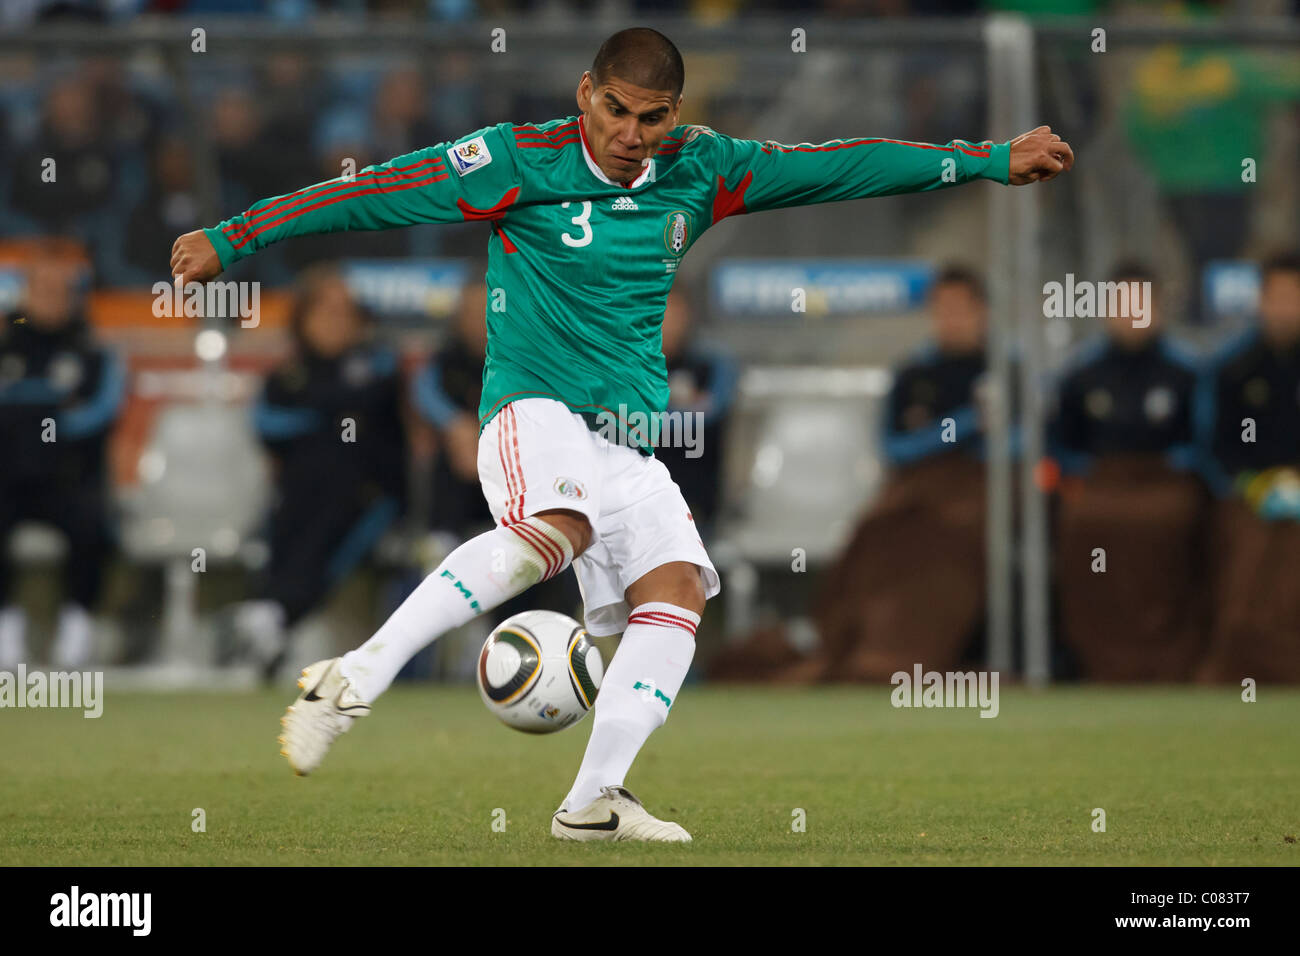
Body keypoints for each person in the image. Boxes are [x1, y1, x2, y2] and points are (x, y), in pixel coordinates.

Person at [169, 27, 1073, 842]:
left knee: (678, 588)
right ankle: (353, 676)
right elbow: (375, 193)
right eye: (615, 108)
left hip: (622, 439)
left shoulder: (703, 168)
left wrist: (989, 161)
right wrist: (234, 234)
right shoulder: (510, 162)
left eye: (652, 116)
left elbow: (842, 164)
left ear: (675, 114)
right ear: (583, 93)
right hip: (531, 410)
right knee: (555, 535)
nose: (630, 132)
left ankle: (593, 800)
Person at [233, 265, 407, 679]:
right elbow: (267, 424)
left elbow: (366, 399)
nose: (335, 321)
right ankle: (273, 618)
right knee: (295, 499)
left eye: (345, 312)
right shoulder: (286, 375)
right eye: (325, 311)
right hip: (299, 496)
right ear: (303, 319)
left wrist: (316, 411)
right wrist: (330, 413)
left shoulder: (380, 362)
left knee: (334, 489)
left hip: (374, 497)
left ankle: (272, 615)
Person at [1047, 262, 1208, 680]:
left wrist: (1174, 465)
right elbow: (1059, 446)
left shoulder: (1188, 372)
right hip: (1100, 485)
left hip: (1166, 485)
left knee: (1166, 523)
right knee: (1084, 524)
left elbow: (1205, 445)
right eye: (1122, 303)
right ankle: (1094, 658)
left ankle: (1169, 656)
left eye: (1141, 303)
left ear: (1158, 308)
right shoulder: (1080, 374)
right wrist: (1083, 472)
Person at [0, 254, 125, 668]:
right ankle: (7, 629)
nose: (50, 300)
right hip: (9, 477)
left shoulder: (91, 351)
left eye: (59, 292)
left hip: (70, 477)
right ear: (24, 295)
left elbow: (100, 414)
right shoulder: (6, 345)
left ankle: (76, 627)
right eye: (42, 290)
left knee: (92, 524)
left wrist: (28, 416)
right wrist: (47, 411)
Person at [1195, 251, 1300, 682]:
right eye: (1276, 296)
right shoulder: (1230, 367)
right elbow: (1212, 444)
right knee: (1248, 569)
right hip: (1247, 495)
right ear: (1259, 300)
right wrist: (1252, 485)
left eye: (1294, 297)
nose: (1285, 308)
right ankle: (1238, 671)